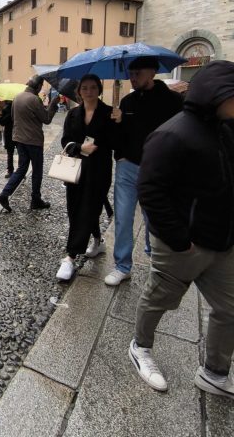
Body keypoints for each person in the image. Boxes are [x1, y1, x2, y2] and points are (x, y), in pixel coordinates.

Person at [130, 60, 234, 398]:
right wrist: (178, 239)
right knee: (160, 298)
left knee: (230, 308)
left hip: (222, 241)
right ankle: (140, 347)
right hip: (184, 243)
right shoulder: (172, 134)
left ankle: (215, 372)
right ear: (218, 94)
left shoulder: (226, 130)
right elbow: (150, 191)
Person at [105, 57, 182, 286]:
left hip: (157, 169)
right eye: (131, 72)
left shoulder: (173, 101)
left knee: (155, 218)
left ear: (153, 72)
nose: (133, 76)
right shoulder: (127, 102)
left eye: (138, 72)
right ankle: (122, 266)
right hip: (127, 167)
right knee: (123, 217)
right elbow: (118, 138)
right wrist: (117, 125)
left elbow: (178, 136)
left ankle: (157, 262)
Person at [56, 75, 115, 281]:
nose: (89, 91)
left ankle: (70, 257)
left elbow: (115, 142)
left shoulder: (109, 113)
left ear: (99, 89)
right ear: (79, 91)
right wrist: (80, 147)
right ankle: (97, 240)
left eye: (92, 88)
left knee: (89, 207)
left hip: (99, 169)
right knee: (75, 208)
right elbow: (65, 140)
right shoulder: (73, 114)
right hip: (77, 169)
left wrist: (119, 122)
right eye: (85, 88)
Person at [0, 76, 59, 212]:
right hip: (33, 141)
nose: (41, 89)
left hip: (19, 139)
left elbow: (13, 117)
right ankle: (35, 199)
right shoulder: (34, 99)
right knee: (37, 170)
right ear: (37, 86)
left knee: (21, 168)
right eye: (41, 87)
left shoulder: (17, 97)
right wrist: (53, 105)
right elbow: (46, 119)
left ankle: (4, 194)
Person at [0, 100, 15, 178]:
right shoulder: (6, 108)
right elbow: (2, 122)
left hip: (12, 133)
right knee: (18, 153)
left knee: (10, 154)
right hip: (14, 133)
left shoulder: (6, 108)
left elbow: (2, 122)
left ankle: (11, 171)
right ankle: (13, 171)